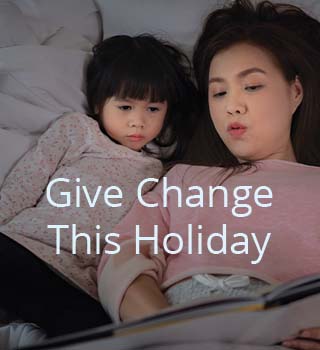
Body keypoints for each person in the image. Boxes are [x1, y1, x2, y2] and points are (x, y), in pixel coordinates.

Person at [97, 1, 320, 349]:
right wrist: (169, 330)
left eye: (252, 86)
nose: (232, 105)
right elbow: (123, 259)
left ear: (295, 92)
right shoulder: (182, 179)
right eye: (218, 92)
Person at [0, 34, 197, 338]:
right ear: (98, 103)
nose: (138, 122)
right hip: (24, 246)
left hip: (77, 280)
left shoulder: (158, 172)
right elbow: (27, 181)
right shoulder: (79, 131)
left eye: (153, 109)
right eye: (125, 107)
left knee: (108, 336)